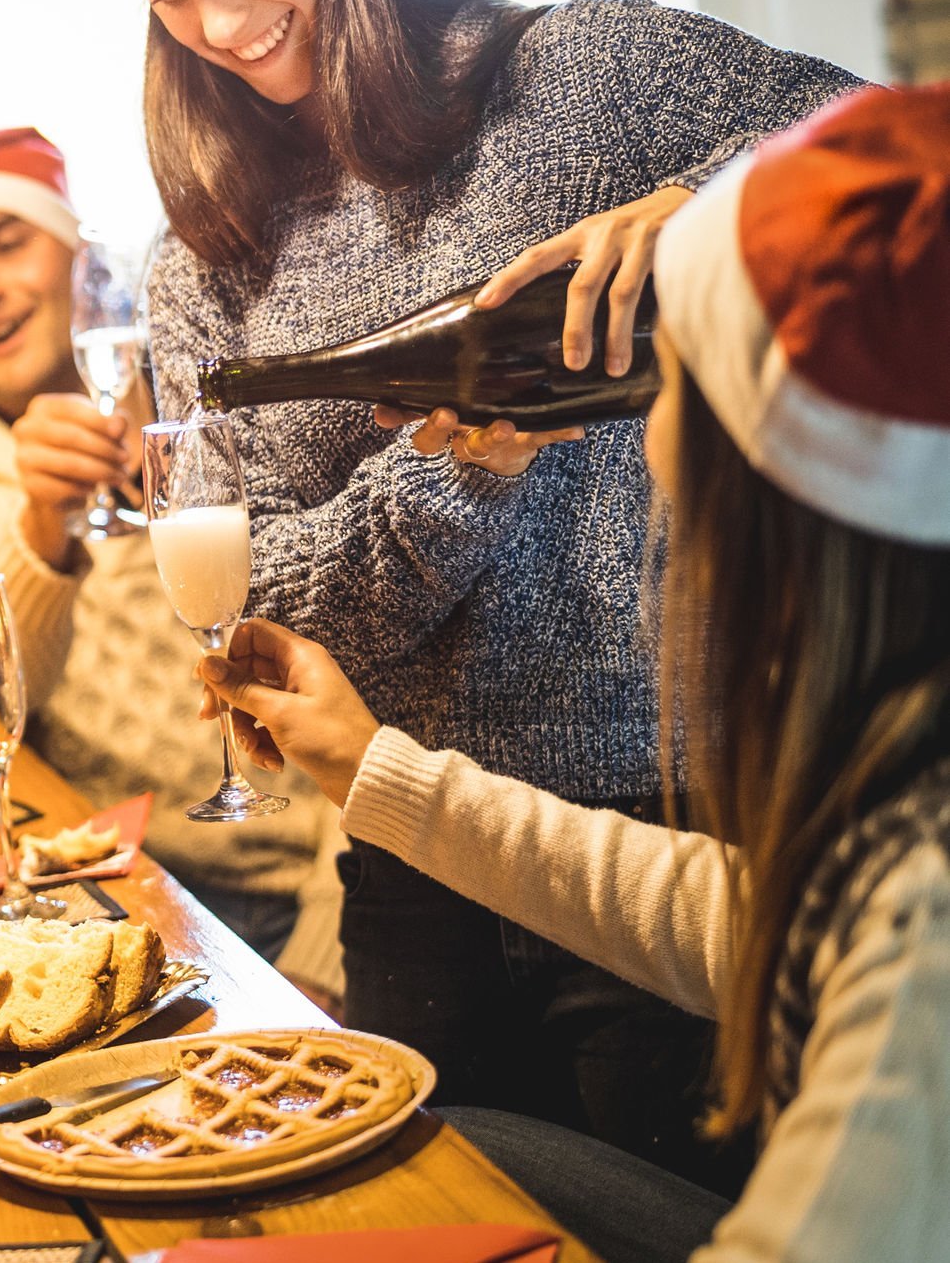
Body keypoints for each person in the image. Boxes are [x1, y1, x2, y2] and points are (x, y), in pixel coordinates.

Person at [71, 0, 864, 1184]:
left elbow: (872, 140)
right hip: (405, 850)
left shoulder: (578, 73)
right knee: (437, 1214)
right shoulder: (207, 254)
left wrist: (690, 205)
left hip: (662, 830)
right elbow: (253, 600)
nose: (215, 23)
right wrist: (452, 471)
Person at [198, 82, 950, 1263]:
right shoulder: (899, 817)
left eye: (671, 380)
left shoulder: (929, 933)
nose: (637, 432)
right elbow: (741, 923)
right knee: (456, 1150)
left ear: (784, 486)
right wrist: (367, 762)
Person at [0, 128, 343, 999]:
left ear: (80, 255)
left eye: (7, 243)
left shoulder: (222, 412)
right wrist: (40, 527)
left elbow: (382, 665)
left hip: (340, 877)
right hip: (138, 891)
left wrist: (322, 960)